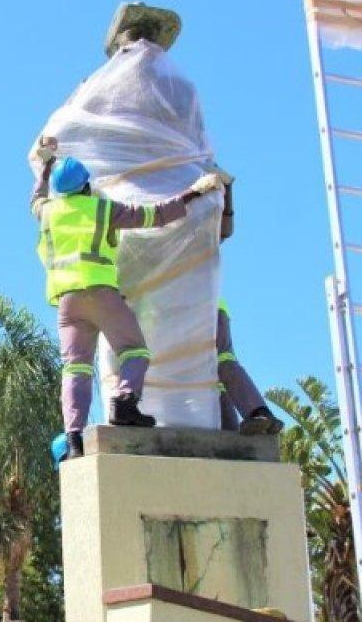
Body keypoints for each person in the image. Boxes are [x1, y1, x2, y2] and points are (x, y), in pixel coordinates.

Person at [32, 137, 227, 459]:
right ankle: (124, 402)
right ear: (85, 186)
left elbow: (36, 196)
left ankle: (73, 435)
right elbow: (156, 216)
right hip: (100, 293)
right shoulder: (102, 209)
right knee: (135, 351)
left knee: (76, 369)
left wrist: (46, 164)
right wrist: (196, 191)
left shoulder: (48, 213)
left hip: (67, 301)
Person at [216, 298, 283, 435]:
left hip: (204, 309)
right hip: (217, 389)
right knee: (231, 442)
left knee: (223, 361)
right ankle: (261, 414)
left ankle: (260, 414)